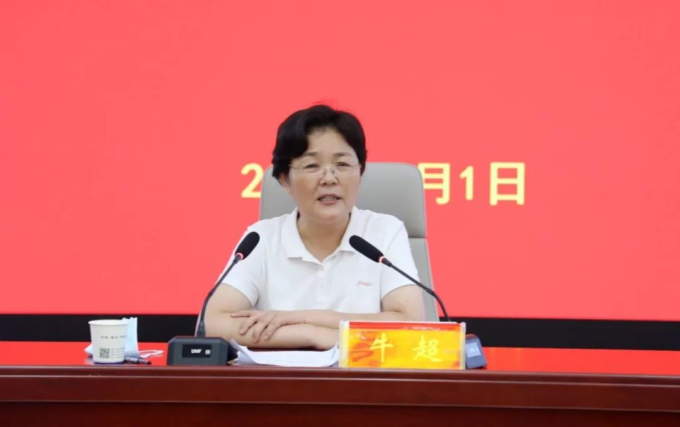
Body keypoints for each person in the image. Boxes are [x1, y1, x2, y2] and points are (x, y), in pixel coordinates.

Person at [204, 104, 425, 350]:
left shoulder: (384, 231)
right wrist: (308, 335)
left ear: (360, 172)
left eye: (342, 165)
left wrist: (307, 321)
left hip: (360, 375)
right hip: (282, 375)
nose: (329, 178)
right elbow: (215, 323)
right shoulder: (262, 238)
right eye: (312, 166)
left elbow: (410, 324)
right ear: (285, 179)